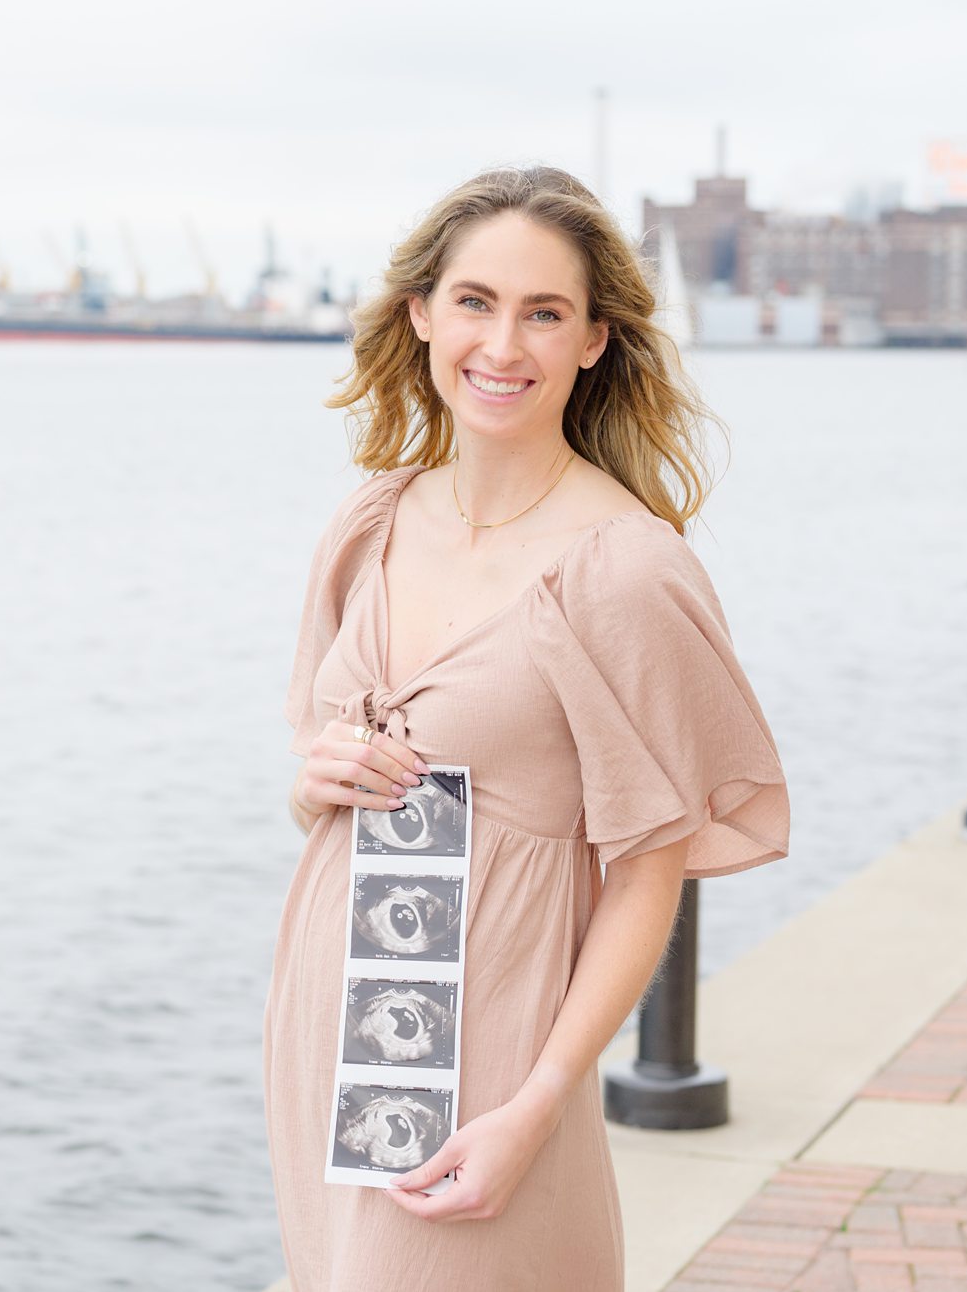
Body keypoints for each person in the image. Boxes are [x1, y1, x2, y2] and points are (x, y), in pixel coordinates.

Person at [263, 165, 791, 1291]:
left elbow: (650, 876)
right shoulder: (370, 522)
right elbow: (308, 775)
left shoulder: (625, 568)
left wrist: (538, 1103)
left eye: (544, 312)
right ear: (421, 314)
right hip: (334, 1032)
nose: (503, 344)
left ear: (595, 339)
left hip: (495, 1057)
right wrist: (321, 777)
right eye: (475, 302)